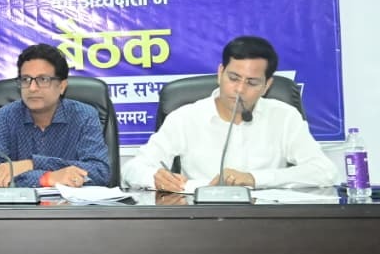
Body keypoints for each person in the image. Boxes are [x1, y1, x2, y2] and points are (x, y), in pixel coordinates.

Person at [124, 36, 337, 190]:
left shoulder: (284, 117)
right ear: (220, 73)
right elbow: (132, 169)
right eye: (233, 78)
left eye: (252, 82)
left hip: (268, 222)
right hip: (202, 221)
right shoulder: (185, 118)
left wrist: (254, 179)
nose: (240, 89)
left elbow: (324, 171)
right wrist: (155, 178)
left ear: (267, 85)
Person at [0, 44, 112, 188]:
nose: (32, 88)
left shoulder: (84, 116)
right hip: (21, 203)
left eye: (43, 79)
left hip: (69, 203)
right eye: (26, 79)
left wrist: (32, 164)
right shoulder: (5, 116)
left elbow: (99, 172)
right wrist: (47, 178)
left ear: (62, 86)